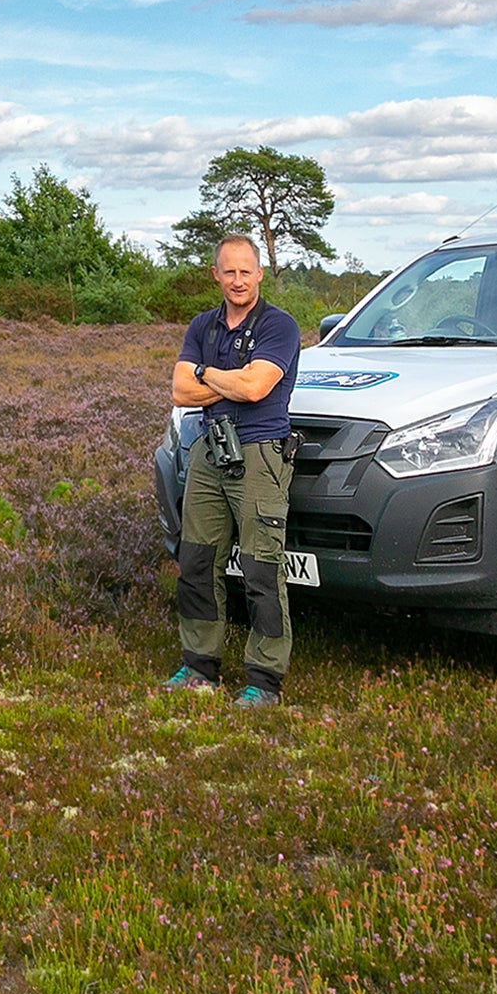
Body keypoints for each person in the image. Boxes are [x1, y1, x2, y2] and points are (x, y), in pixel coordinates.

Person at [167, 235, 303, 705]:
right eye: (230, 271)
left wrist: (204, 374)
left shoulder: (279, 326)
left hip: (260, 452)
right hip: (210, 449)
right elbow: (180, 393)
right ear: (216, 275)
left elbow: (256, 388)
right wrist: (222, 381)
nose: (238, 280)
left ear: (260, 274)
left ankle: (264, 680)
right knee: (197, 561)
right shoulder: (203, 326)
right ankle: (199, 665)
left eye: (247, 271)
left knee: (261, 568)